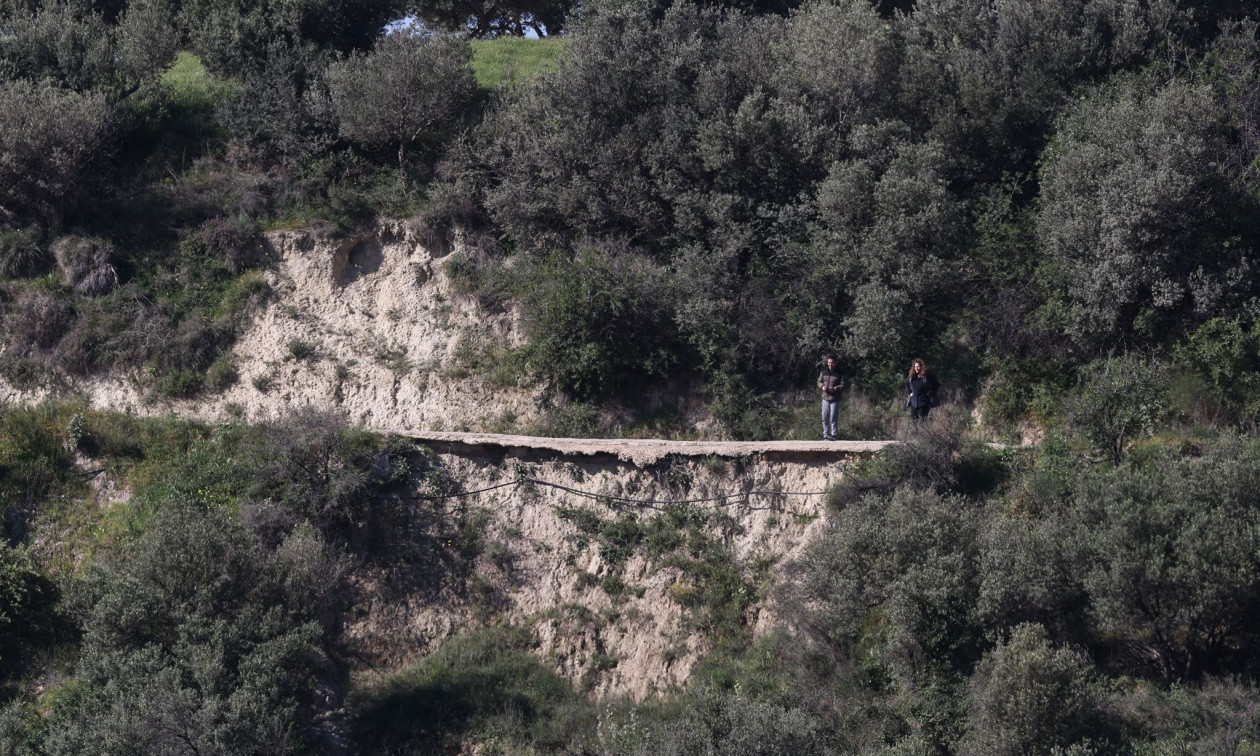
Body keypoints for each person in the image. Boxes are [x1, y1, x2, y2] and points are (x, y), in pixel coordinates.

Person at [817, 356, 844, 440]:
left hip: (835, 398)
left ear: (835, 363)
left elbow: (843, 385)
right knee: (824, 417)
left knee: (833, 417)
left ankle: (833, 435)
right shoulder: (823, 372)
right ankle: (825, 435)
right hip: (825, 397)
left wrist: (835, 388)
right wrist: (822, 387)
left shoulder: (840, 373)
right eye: (829, 362)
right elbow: (819, 382)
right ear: (827, 363)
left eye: (832, 362)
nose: (830, 364)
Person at [905, 357, 940, 422]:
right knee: (913, 422)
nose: (916, 368)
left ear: (921, 367)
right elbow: (907, 383)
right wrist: (910, 393)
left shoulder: (926, 376)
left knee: (922, 422)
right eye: (915, 367)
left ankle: (923, 432)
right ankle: (914, 432)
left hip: (924, 403)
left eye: (918, 366)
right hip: (914, 403)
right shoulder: (912, 376)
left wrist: (929, 394)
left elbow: (937, 385)